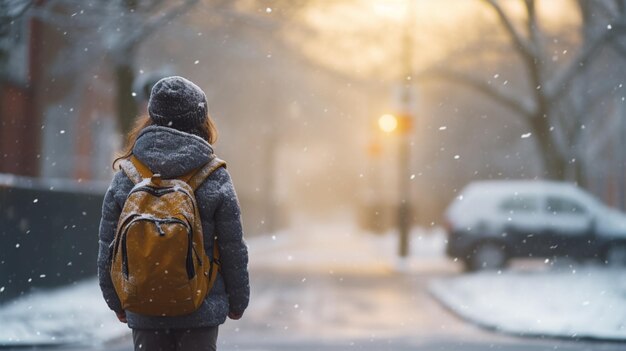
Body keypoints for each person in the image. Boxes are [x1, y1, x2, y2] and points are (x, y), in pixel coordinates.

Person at [97, 76, 249, 351]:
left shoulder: (128, 174)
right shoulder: (213, 175)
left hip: (145, 304)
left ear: (151, 116)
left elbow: (108, 245)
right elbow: (232, 247)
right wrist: (237, 300)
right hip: (200, 304)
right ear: (201, 119)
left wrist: (115, 299)